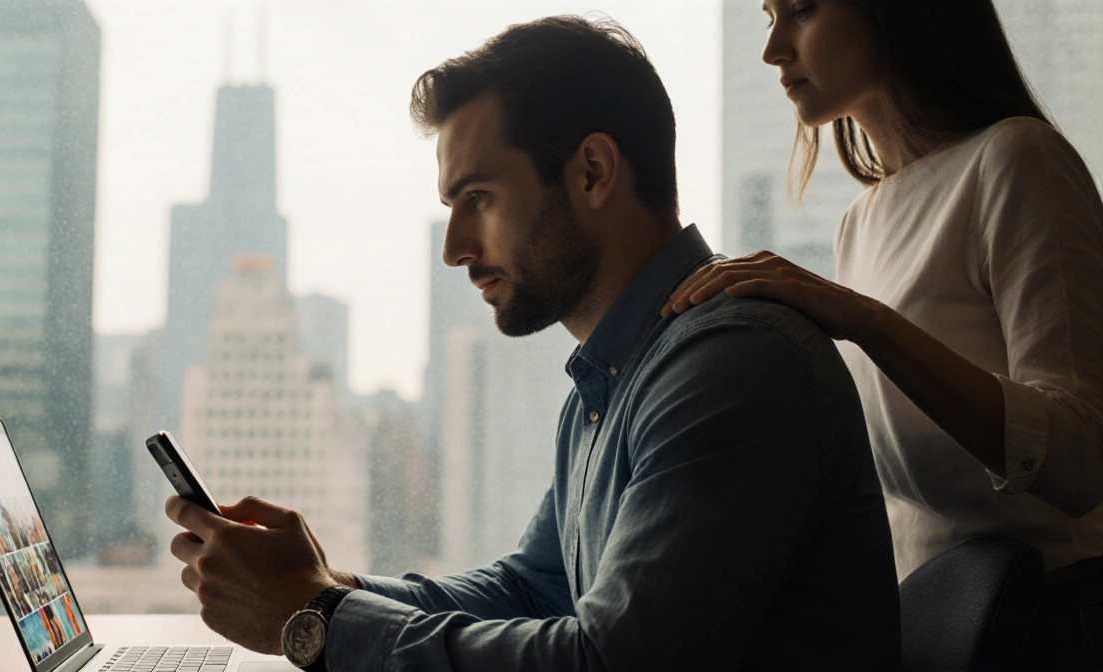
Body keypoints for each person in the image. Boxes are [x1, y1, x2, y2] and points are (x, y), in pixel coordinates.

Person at [165, 16, 901, 671]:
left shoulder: (731, 364)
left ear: (592, 172)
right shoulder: (616, 380)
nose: (454, 249)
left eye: (478, 199)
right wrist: (326, 586)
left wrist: (318, 619)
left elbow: (609, 661)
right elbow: (531, 589)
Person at [664, 0, 1103, 667]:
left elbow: (1082, 460)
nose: (773, 49)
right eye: (768, 17)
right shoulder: (859, 224)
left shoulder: (1017, 159)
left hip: (1049, 629)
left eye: (802, 10)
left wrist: (865, 321)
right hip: (927, 633)